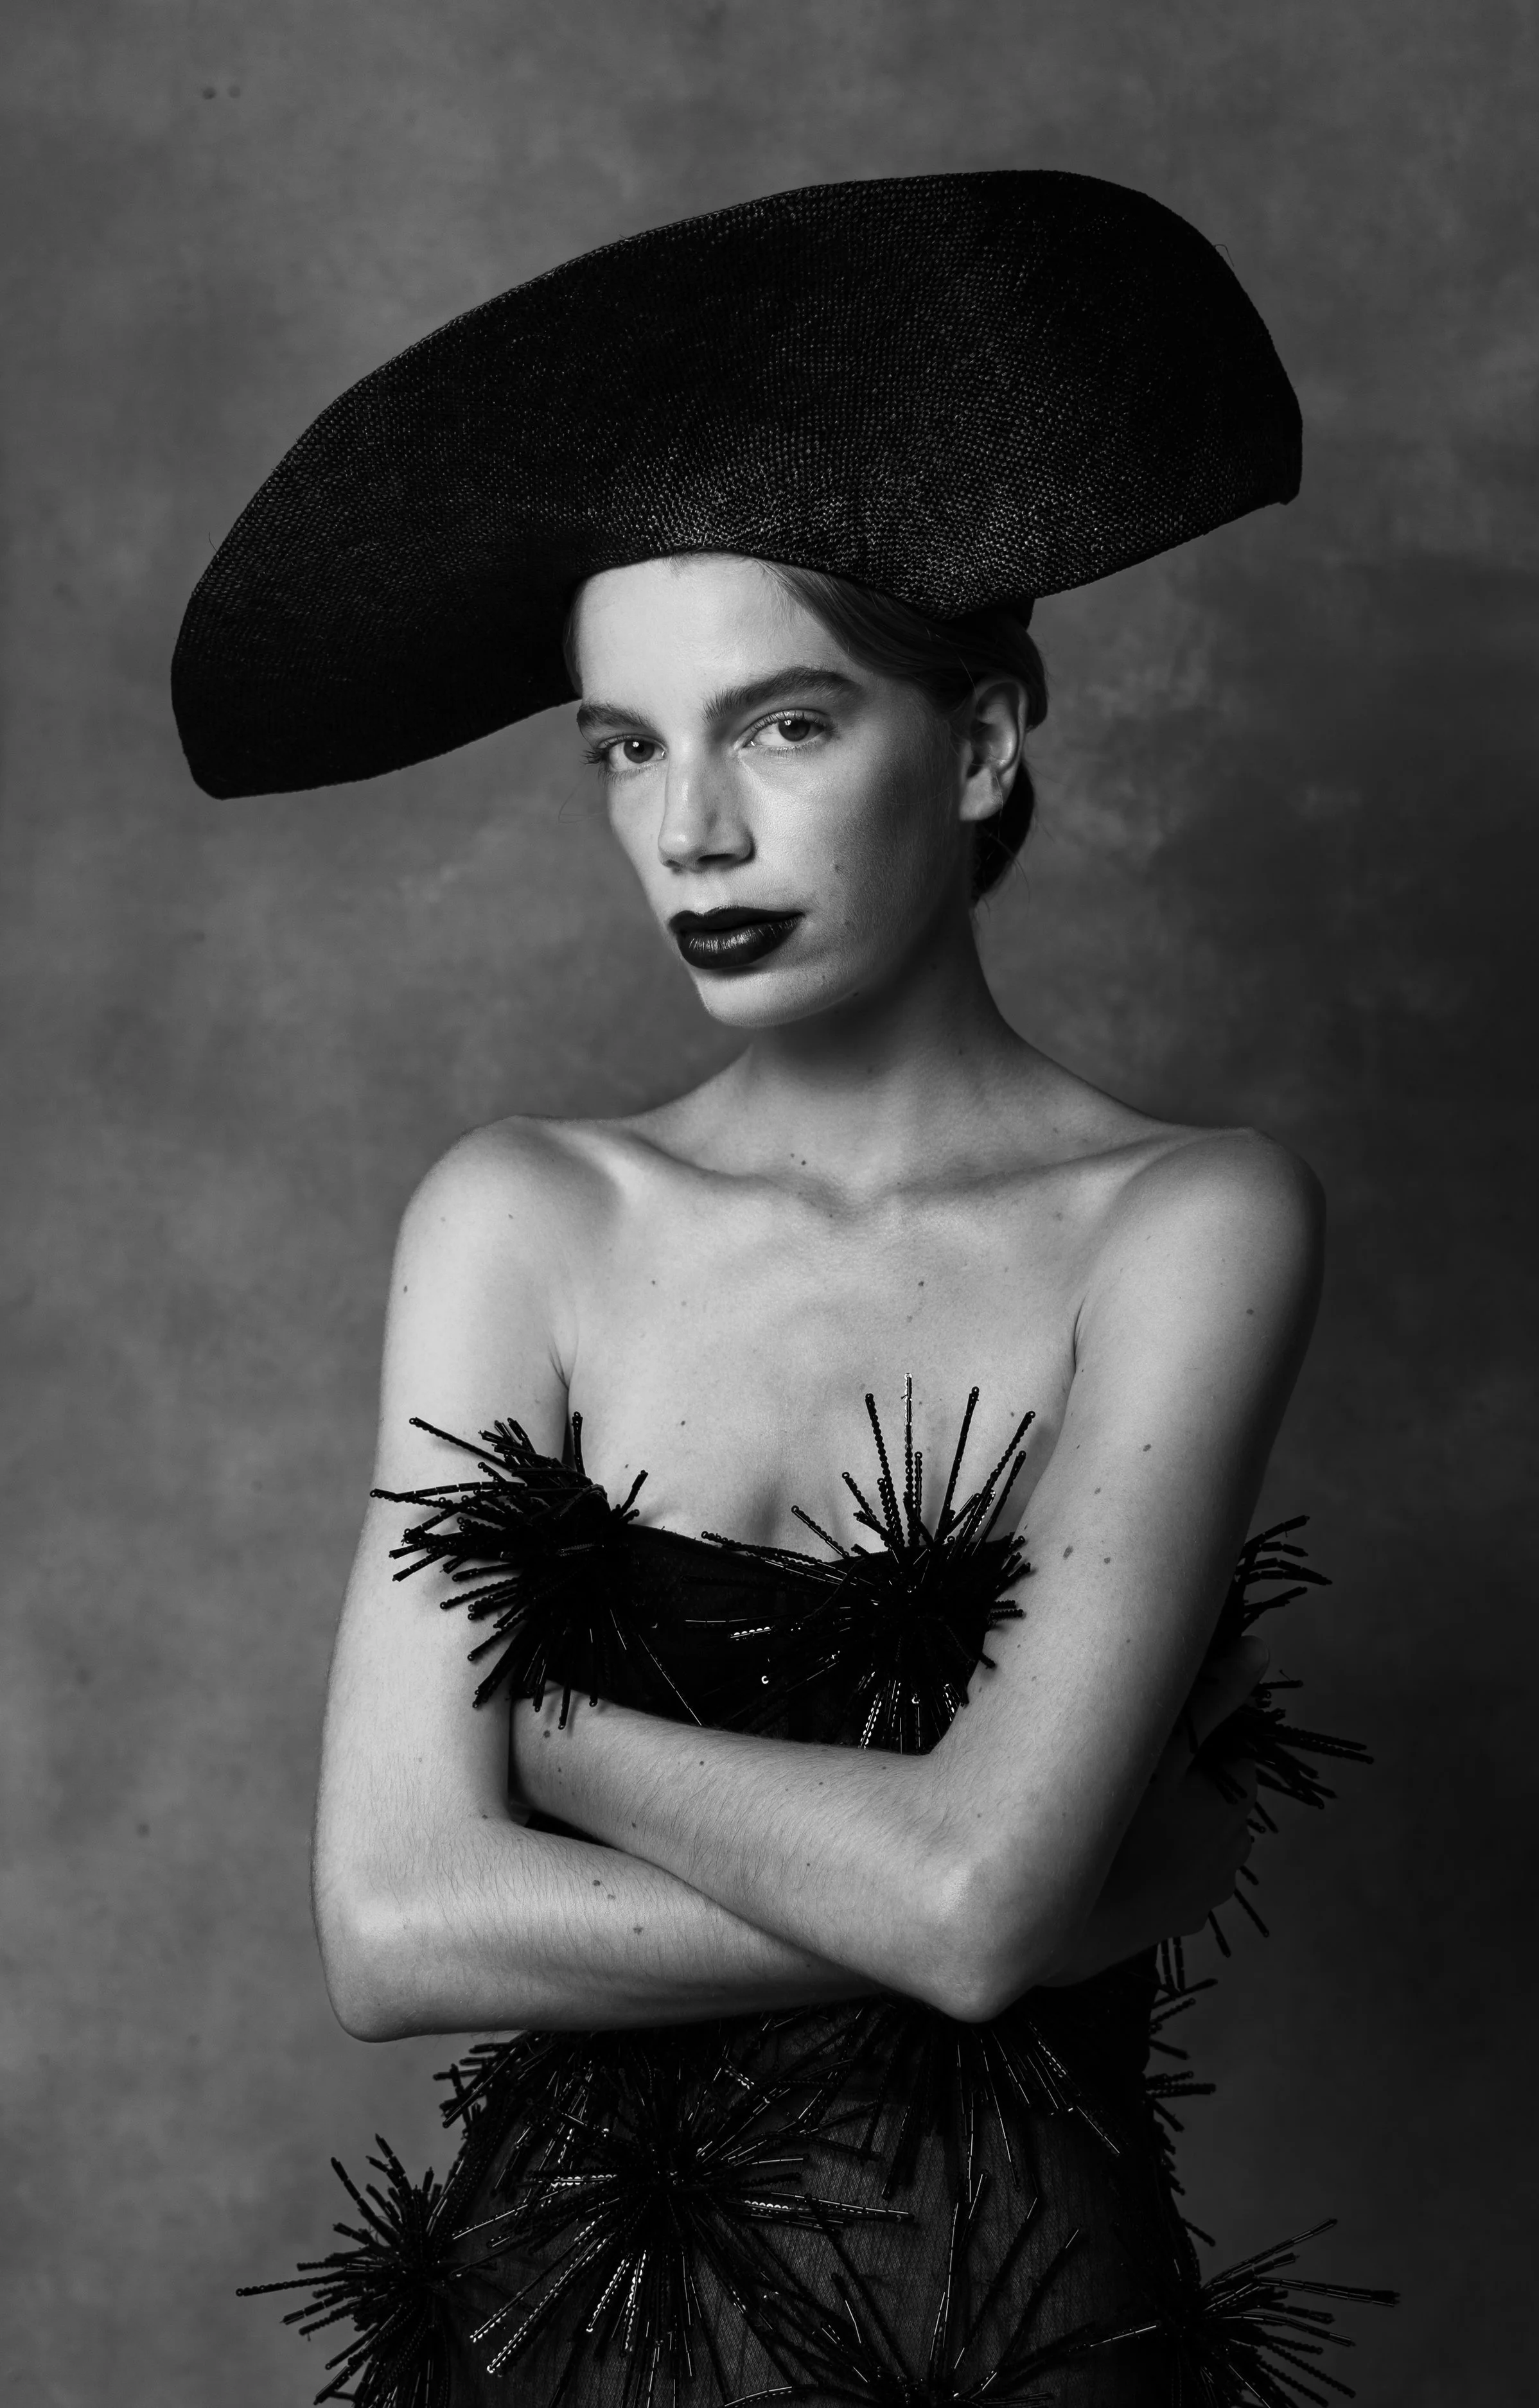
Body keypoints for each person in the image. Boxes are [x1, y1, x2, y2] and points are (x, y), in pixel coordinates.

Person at [175, 172, 1389, 2405]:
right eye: (628, 748)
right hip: (557, 2343)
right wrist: (1050, 1876)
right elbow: (396, 1926)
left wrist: (545, 1745)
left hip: (1017, 2324)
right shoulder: (519, 1214)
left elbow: (965, 1910)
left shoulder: (1190, 1220)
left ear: (989, 740)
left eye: (783, 725)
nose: (690, 834)